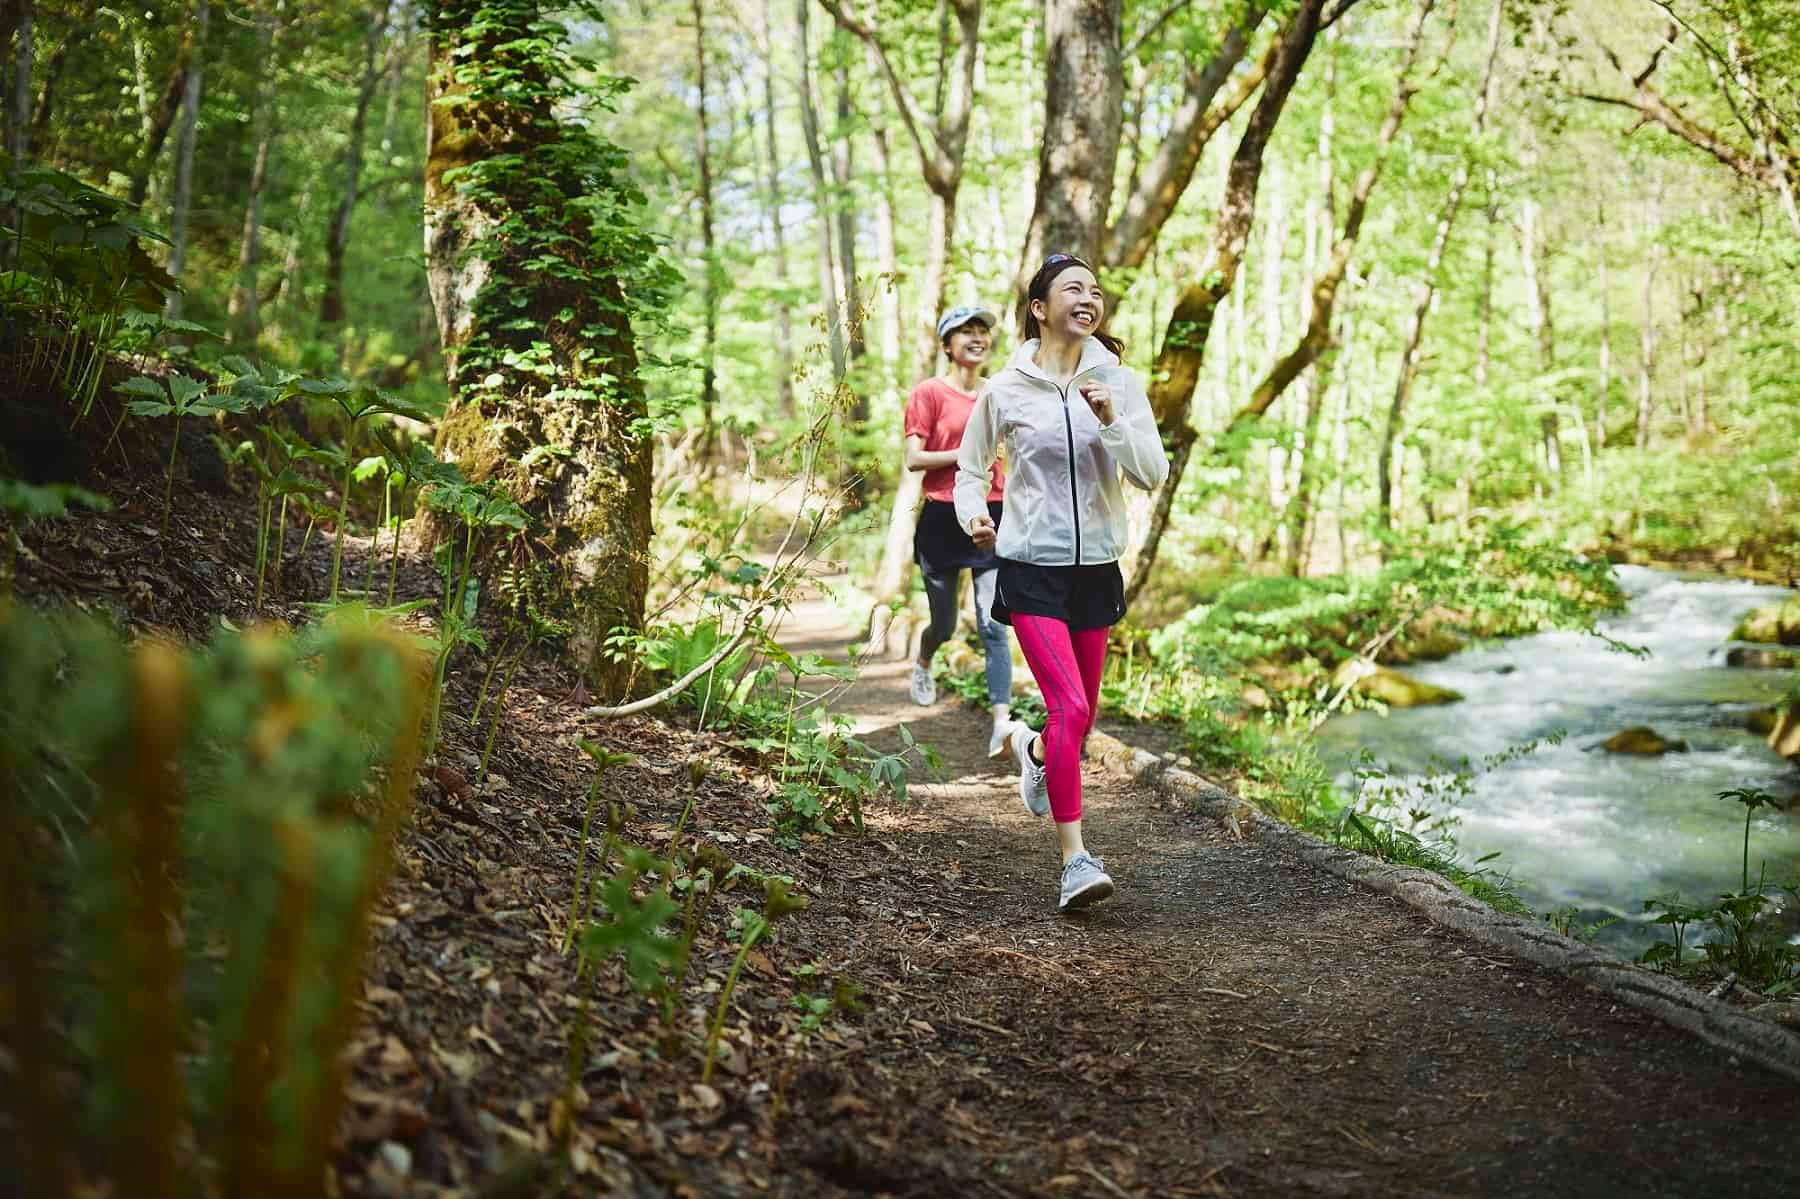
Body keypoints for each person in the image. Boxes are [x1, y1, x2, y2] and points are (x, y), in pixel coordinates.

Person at [953, 255, 1169, 912]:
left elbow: (1152, 473)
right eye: (1074, 287)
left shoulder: (1119, 381)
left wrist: (1112, 420)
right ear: (1041, 308)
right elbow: (969, 470)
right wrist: (973, 518)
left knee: (1079, 716)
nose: (1089, 297)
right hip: (1031, 567)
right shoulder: (1005, 389)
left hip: (1096, 570)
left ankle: (1032, 748)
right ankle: (1075, 859)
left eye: (1097, 290)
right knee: (1072, 708)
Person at [904, 305, 1014, 758]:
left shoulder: (1003, 392)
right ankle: (925, 658)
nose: (976, 338)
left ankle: (1001, 723)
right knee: (946, 624)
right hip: (942, 517)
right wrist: (969, 454)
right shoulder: (929, 393)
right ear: (947, 345)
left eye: (982, 332)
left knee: (993, 624)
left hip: (992, 511)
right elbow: (914, 459)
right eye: (964, 331)